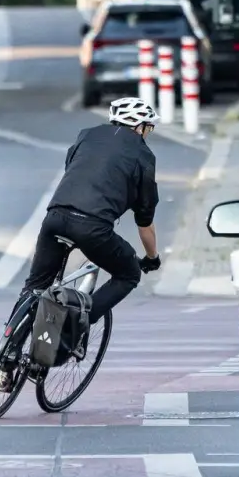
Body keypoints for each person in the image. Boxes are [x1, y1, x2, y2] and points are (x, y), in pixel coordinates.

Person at [16, 96, 162, 327]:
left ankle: (9, 347)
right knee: (129, 273)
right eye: (148, 128)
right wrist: (152, 258)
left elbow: (71, 168)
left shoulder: (86, 135)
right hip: (92, 228)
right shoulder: (143, 156)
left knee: (34, 287)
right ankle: (77, 324)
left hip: (55, 217)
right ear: (139, 126)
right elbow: (145, 221)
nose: (147, 134)